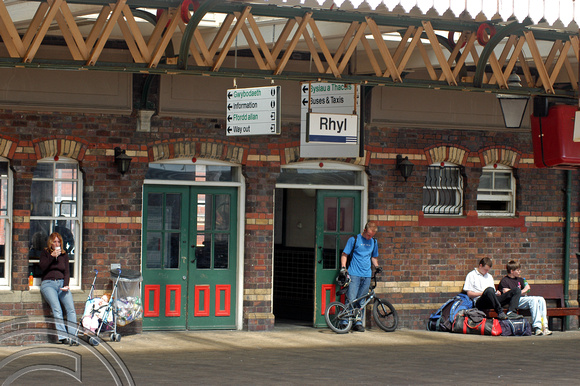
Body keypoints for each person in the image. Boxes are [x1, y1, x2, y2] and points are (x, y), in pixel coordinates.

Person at [339, 221, 382, 332]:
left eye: (372, 236)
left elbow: (373, 257)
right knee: (351, 299)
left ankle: (357, 322)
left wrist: (377, 266)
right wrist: (343, 268)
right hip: (354, 274)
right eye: (368, 235)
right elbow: (345, 254)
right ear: (364, 230)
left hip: (367, 275)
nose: (369, 238)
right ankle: (344, 322)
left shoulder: (374, 242)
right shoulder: (354, 240)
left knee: (361, 301)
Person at [39, 232, 78, 345]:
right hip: (48, 284)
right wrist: (52, 257)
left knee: (71, 309)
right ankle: (63, 337)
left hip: (61, 283)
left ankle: (73, 336)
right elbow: (42, 267)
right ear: (50, 243)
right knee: (57, 309)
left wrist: (66, 285)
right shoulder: (45, 253)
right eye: (54, 241)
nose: (57, 244)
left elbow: (67, 272)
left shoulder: (64, 255)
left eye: (59, 242)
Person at [498, 260, 552, 336]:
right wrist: (522, 291)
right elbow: (507, 292)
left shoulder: (520, 280)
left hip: (522, 299)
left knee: (541, 299)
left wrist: (522, 291)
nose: (520, 271)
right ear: (512, 271)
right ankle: (537, 327)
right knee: (533, 300)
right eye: (518, 270)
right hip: (512, 302)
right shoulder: (505, 281)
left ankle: (544, 327)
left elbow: (526, 290)